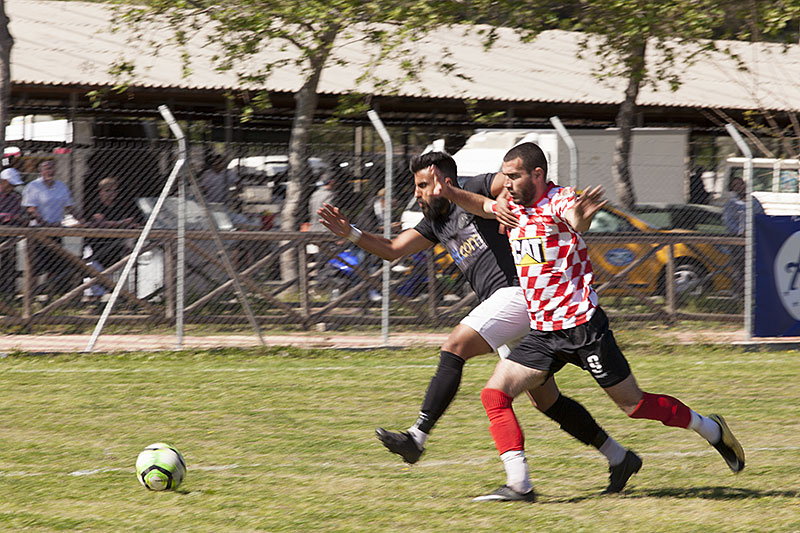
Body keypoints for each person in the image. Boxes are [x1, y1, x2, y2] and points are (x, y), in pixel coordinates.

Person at [432, 142, 745, 502]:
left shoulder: (561, 200)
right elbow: (483, 206)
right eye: (505, 175)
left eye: (514, 176)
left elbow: (576, 220)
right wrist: (452, 191)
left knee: (635, 406)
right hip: (544, 332)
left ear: (538, 175)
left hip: (583, 328)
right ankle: (519, 484)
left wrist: (582, 217)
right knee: (494, 395)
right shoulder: (513, 205)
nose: (507, 182)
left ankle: (710, 428)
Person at [318, 151, 640, 496]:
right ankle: (617, 457)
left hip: (519, 292)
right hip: (512, 305)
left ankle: (417, 435)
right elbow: (394, 248)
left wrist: (500, 198)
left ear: (446, 182)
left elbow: (510, 181)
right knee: (544, 400)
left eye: (423, 185)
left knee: (455, 346)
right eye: (417, 186)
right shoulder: (435, 222)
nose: (417, 193)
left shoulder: (473, 187)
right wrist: (350, 232)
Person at [21, 161, 83, 286]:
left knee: (54, 265)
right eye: (47, 169)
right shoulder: (33, 186)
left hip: (56, 230)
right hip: (37, 231)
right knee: (35, 267)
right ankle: (31, 295)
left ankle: (49, 294)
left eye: (52, 168)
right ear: (41, 171)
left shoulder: (61, 186)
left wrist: (82, 220)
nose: (50, 171)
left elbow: (70, 207)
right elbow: (31, 208)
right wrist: (44, 223)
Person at [0, 171, 24, 295]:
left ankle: (8, 293)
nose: (12, 188)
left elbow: (20, 214)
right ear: (3, 182)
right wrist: (8, 216)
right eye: (11, 185)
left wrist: (19, 218)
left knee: (9, 263)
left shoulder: (15, 197)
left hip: (11, 235)